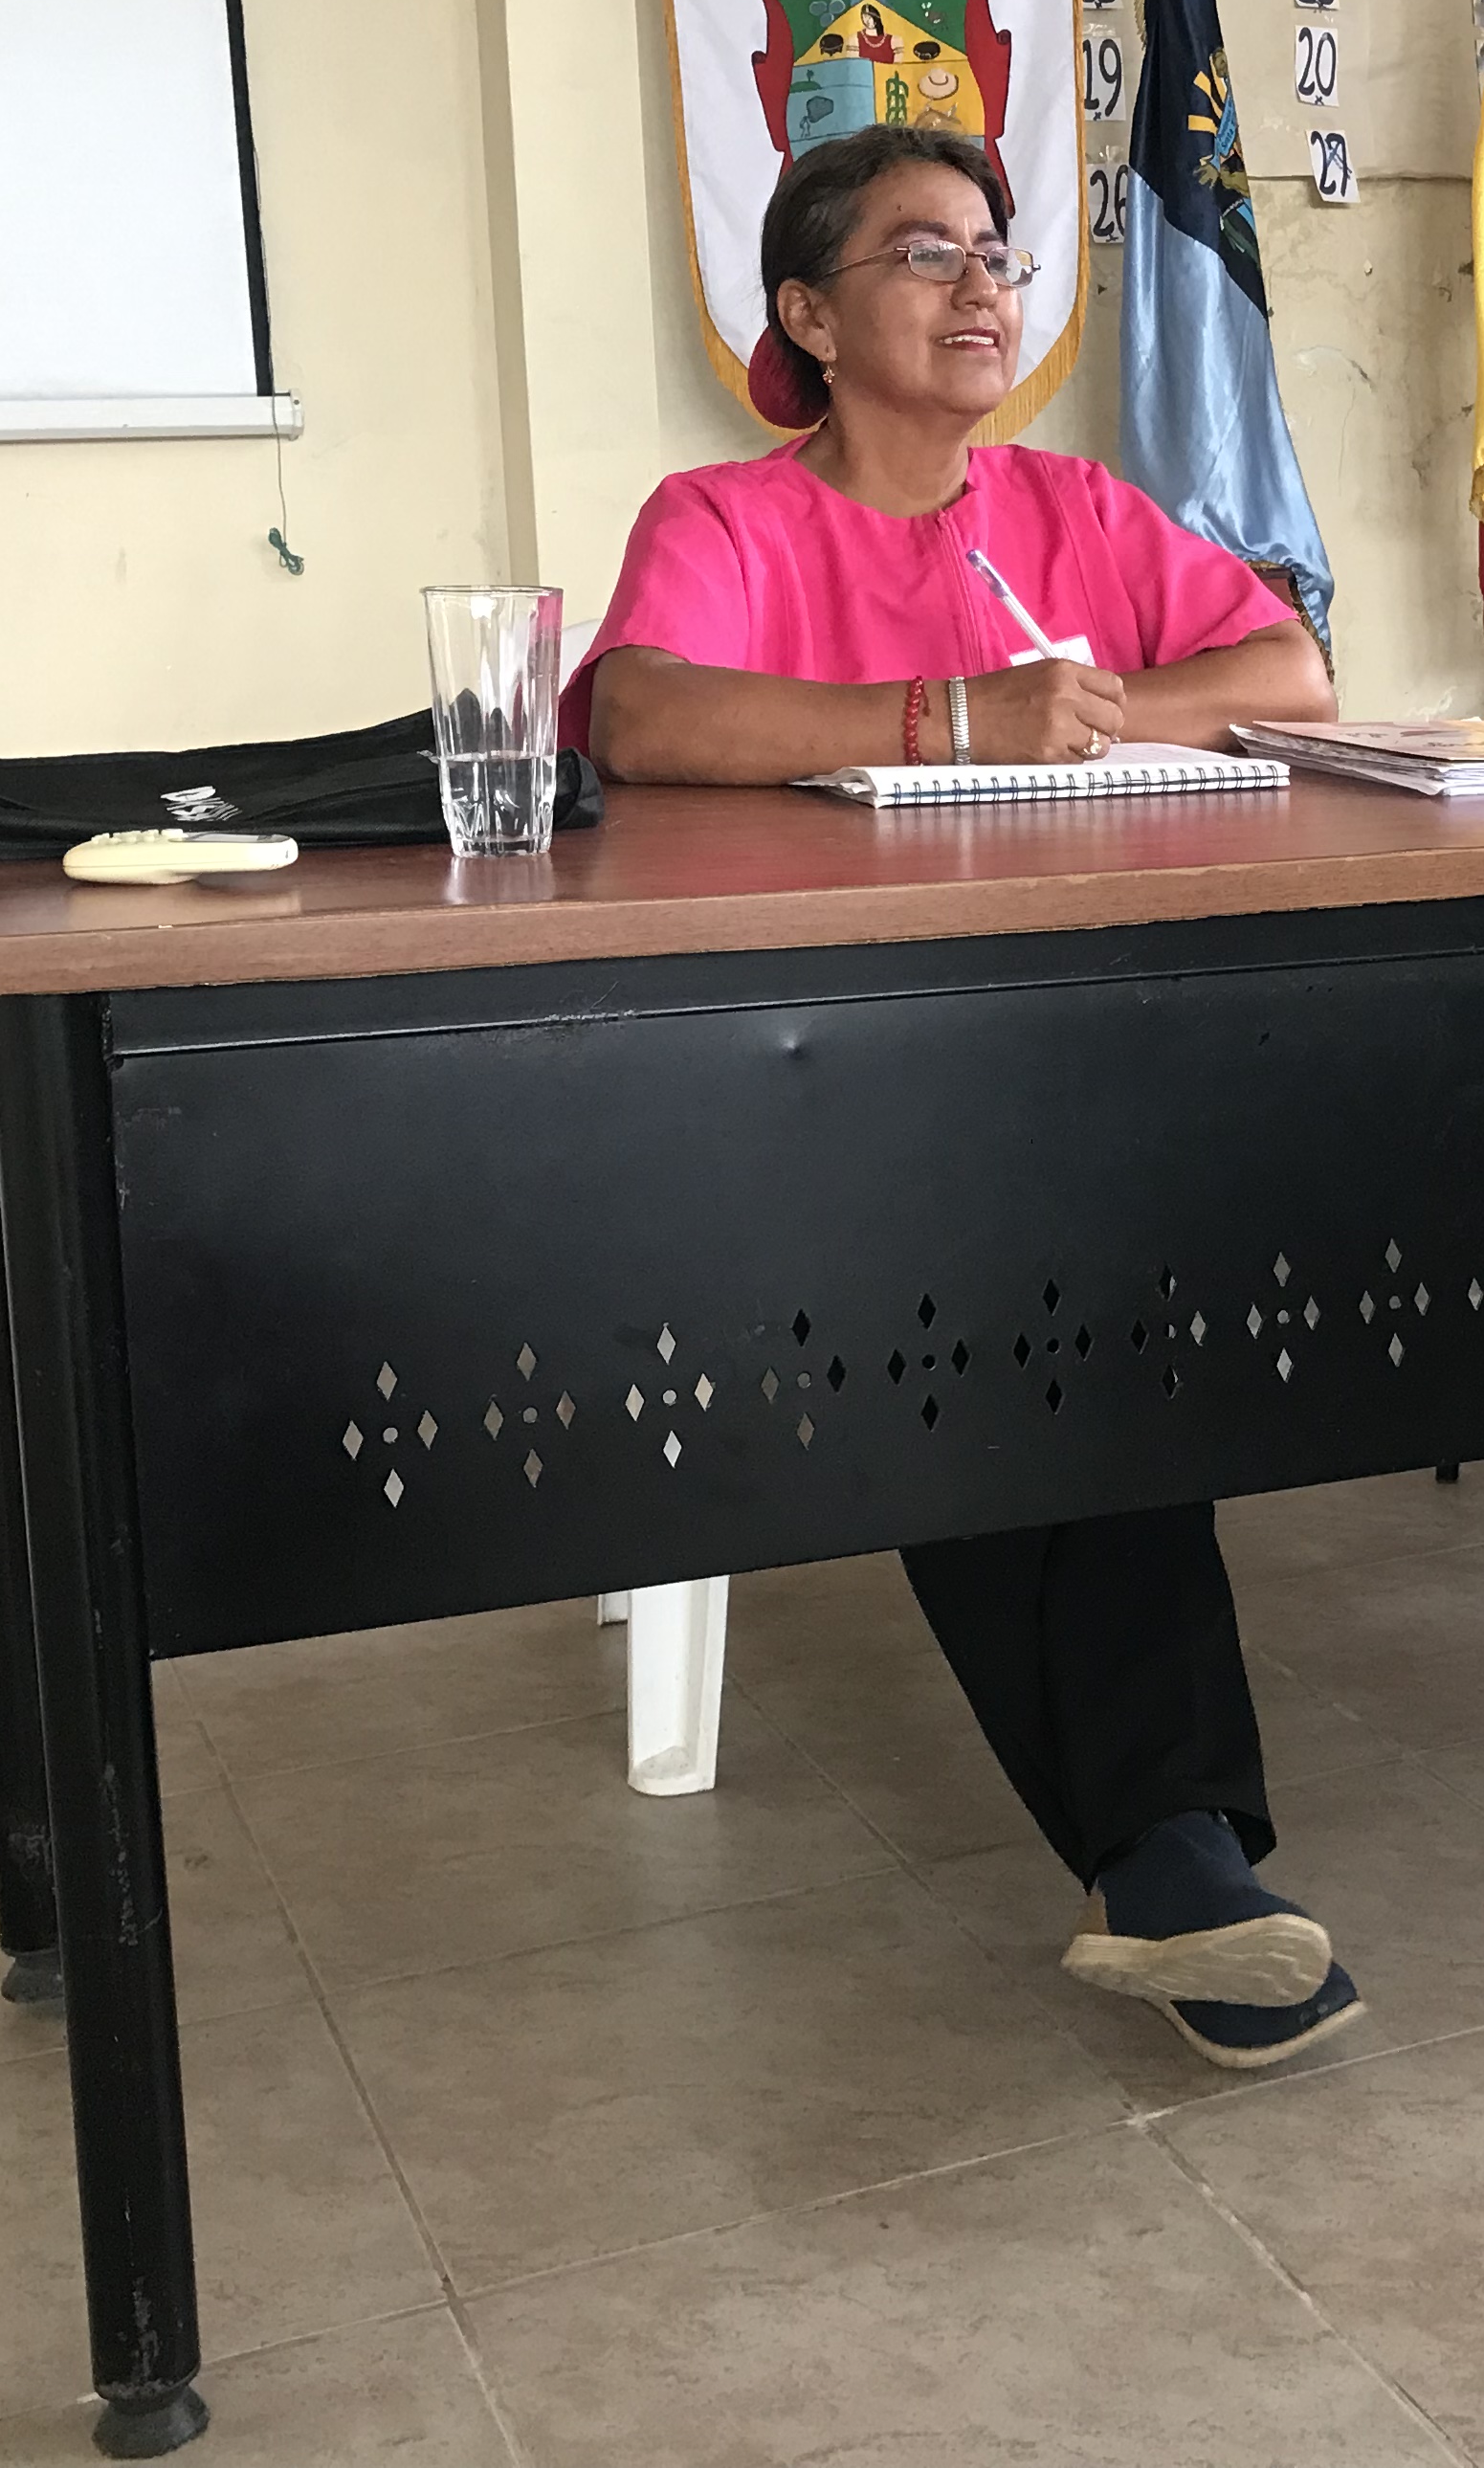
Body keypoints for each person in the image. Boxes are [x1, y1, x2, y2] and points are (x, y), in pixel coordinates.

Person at [578, 126, 1361, 2061]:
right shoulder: (728, 520)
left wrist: (1081, 713)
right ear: (807, 312)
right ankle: (1170, 1845)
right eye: (925, 253)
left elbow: (1294, 674)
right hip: (800, 1088)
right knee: (992, 1303)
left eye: (996, 250)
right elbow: (641, 714)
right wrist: (945, 721)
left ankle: (1171, 1851)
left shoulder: (1073, 508)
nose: (985, 283)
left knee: (1078, 1296)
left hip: (1059, 1075)